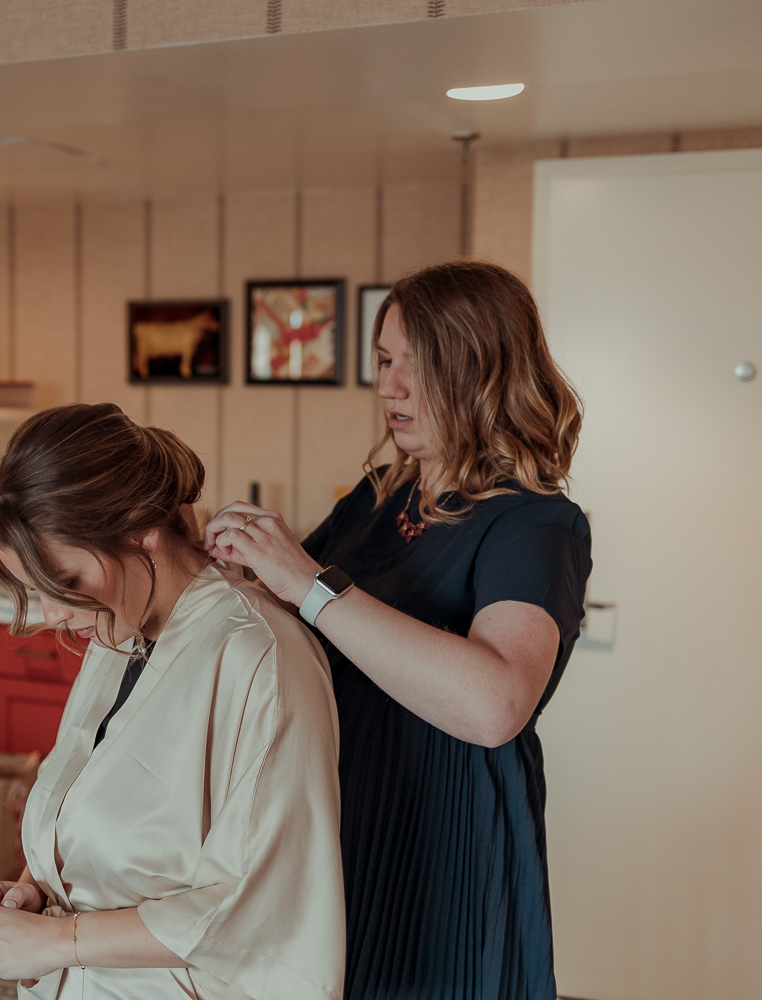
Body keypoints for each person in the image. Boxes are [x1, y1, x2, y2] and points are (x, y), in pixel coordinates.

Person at [204, 259, 591, 1000]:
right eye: (384, 361)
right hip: (346, 800)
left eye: (420, 367)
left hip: (442, 832)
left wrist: (306, 584)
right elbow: (296, 610)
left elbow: (494, 704)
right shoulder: (385, 495)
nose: (390, 387)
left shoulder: (534, 522)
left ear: (481, 372)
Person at [0, 403, 346, 1000]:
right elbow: (96, 824)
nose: (52, 615)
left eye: (62, 583)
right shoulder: (118, 631)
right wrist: (31, 890)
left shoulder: (260, 658)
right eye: (35, 592)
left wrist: (54, 943)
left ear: (141, 528)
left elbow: (264, 910)